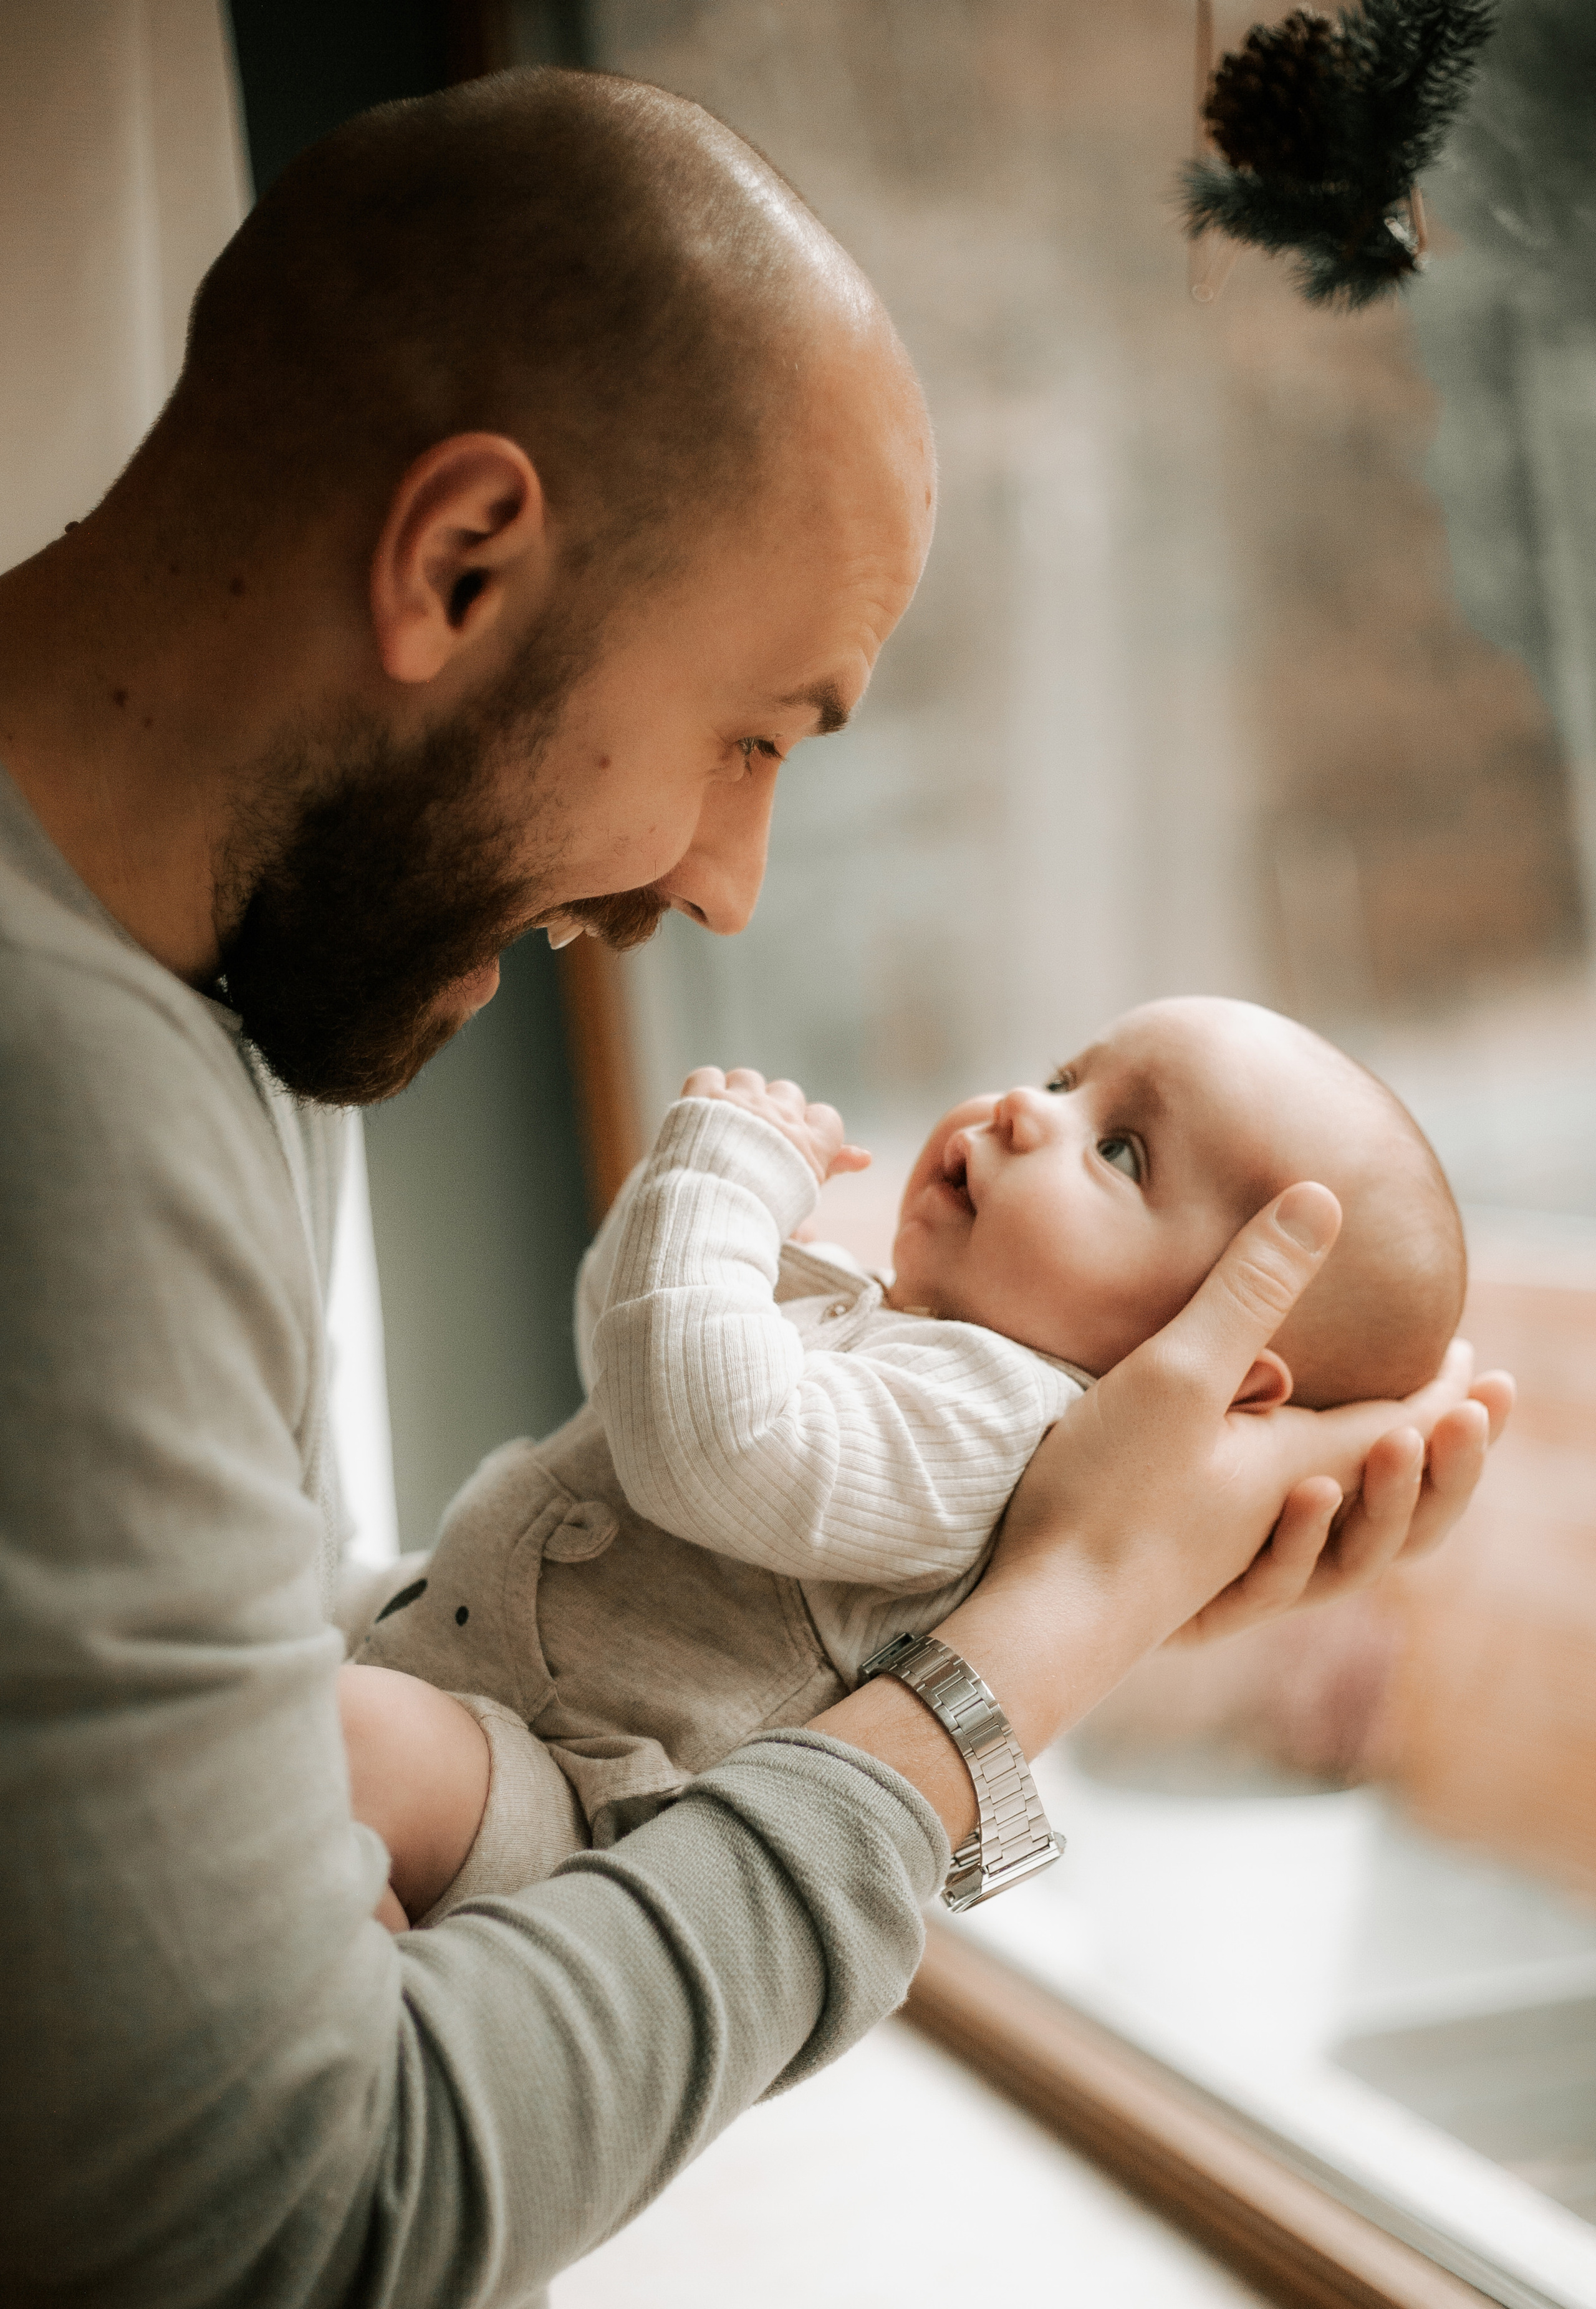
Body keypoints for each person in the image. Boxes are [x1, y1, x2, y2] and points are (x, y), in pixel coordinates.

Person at [0, 64, 1508, 2309]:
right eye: (758, 735)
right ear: (462, 561)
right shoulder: (63, 1104)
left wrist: (1032, 1549)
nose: (730, 884)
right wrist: (1038, 1638)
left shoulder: (196, 996)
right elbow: (284, 2238)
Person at [342, 997, 1468, 1929]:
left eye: (1119, 1150)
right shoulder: (900, 1337)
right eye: (1065, 1079)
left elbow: (706, 1444)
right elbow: (627, 1369)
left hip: (564, 1792)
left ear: (1217, 1362)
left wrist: (721, 1188)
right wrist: (682, 1216)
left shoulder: (993, 1430)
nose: (1028, 1111)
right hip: (460, 1647)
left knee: (328, 1735)